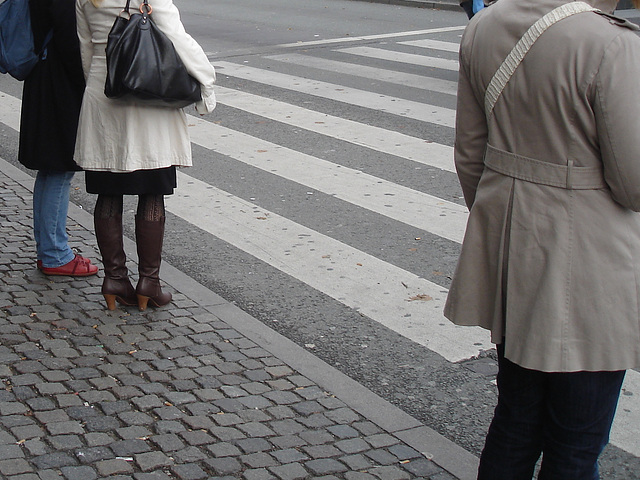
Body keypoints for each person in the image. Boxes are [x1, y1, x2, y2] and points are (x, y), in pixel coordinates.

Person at [444, 0, 640, 478]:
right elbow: (633, 183)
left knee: (515, 421)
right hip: (592, 261)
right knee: (575, 442)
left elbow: (471, 155)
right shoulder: (612, 42)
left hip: (515, 251)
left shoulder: (484, 26)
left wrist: (506, 226)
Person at [74, 0, 216, 310]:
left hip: (104, 96)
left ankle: (115, 279)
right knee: (152, 193)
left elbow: (86, 51)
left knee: (108, 193)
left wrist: (98, 86)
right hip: (150, 100)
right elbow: (177, 39)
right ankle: (149, 282)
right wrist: (207, 82)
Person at [18, 0, 98, 277]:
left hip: (45, 79)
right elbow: (71, 42)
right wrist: (91, 81)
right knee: (59, 171)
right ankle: (54, 254)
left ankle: (49, 250)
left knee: (52, 171)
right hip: (59, 87)